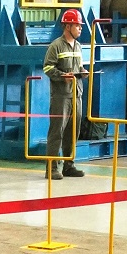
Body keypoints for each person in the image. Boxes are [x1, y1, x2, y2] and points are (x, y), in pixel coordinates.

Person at [43, 9, 86, 178]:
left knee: (73, 131)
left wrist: (82, 71)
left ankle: (69, 165)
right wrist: (62, 76)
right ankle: (52, 168)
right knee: (57, 132)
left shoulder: (78, 46)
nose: (80, 28)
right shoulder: (56, 46)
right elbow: (47, 68)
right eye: (77, 25)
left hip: (76, 94)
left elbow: (78, 66)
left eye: (80, 26)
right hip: (61, 96)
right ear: (68, 26)